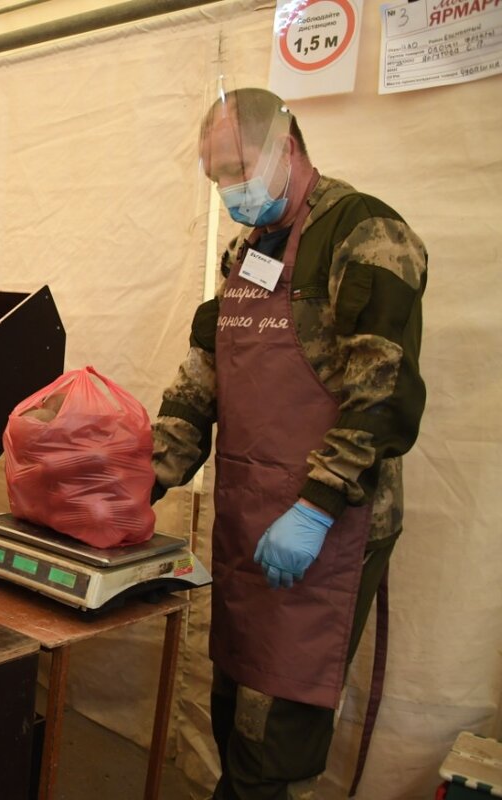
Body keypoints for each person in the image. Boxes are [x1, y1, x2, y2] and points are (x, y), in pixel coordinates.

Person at [150, 88, 426, 798]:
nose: (229, 190)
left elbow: (383, 390)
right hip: (249, 509)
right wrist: (145, 476)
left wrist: (317, 506)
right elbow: (201, 377)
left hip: (326, 521)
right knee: (233, 692)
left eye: (238, 170)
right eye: (217, 177)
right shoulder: (245, 252)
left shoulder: (364, 234)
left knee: (278, 718)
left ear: (289, 148)